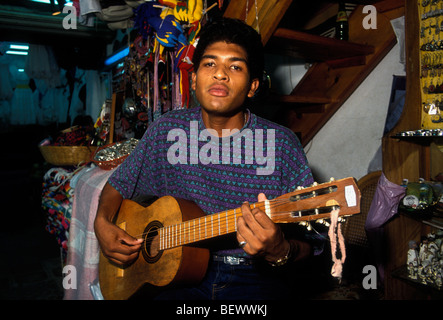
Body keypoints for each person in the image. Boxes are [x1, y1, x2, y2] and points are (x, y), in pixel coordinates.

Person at [94, 17, 314, 300]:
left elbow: (312, 245)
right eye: (210, 63)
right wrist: (101, 223)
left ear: (252, 86)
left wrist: (280, 250)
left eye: (235, 67)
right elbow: (118, 186)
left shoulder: (281, 145)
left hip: (254, 276)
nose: (220, 74)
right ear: (194, 78)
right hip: (174, 274)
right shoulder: (166, 130)